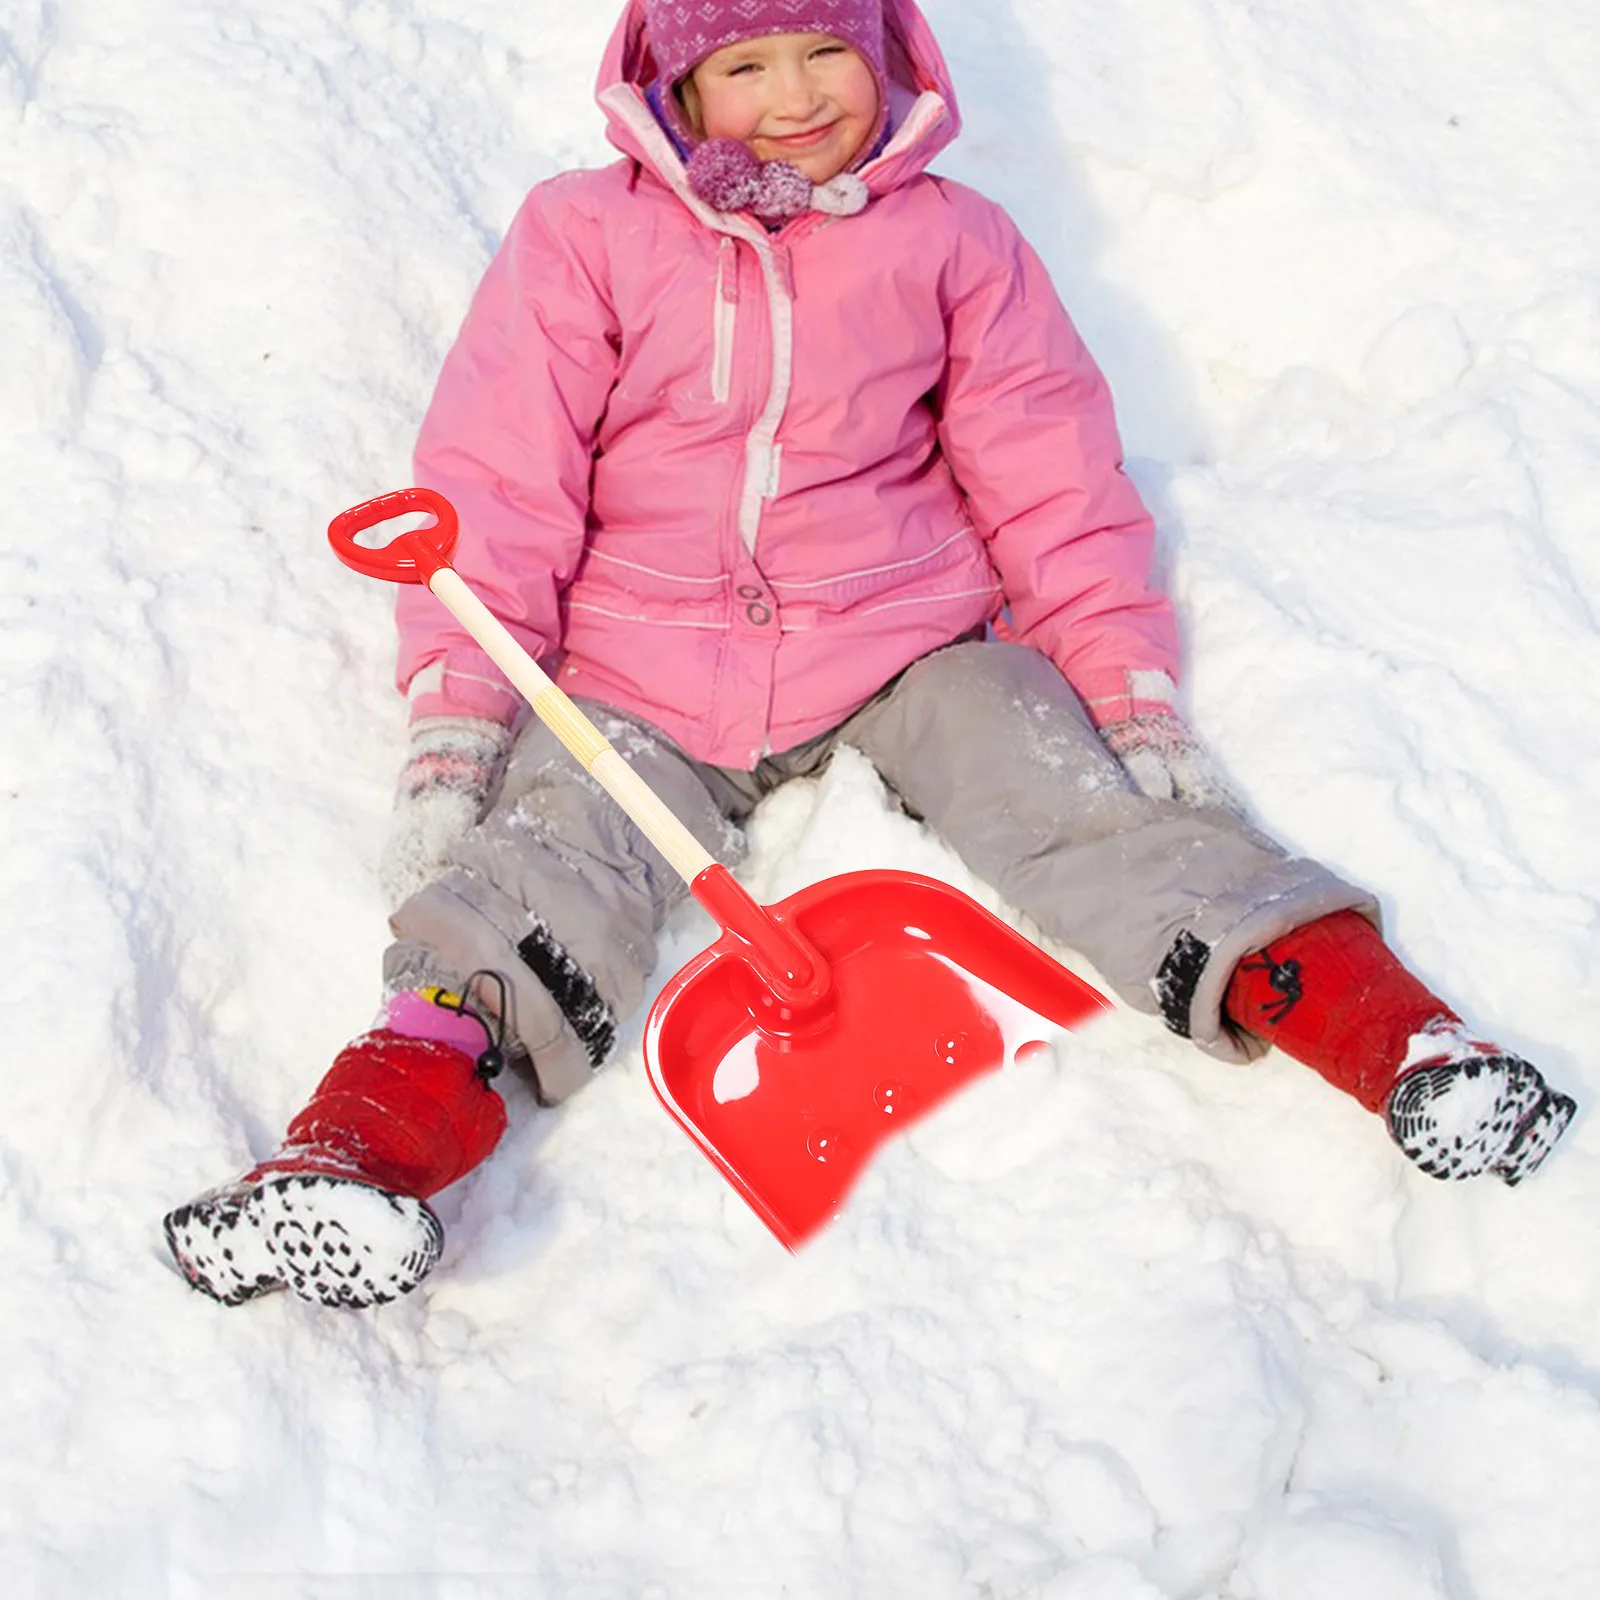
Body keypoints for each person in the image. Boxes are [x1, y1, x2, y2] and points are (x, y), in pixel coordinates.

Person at [163, 0, 1576, 1310]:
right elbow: (506, 478)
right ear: (677, 83)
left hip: (906, 639)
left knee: (1081, 809)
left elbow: (1051, 484)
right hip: (640, 666)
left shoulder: (955, 242)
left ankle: (1406, 1048)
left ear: (891, 49)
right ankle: (355, 1157)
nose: (794, 97)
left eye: (826, 52)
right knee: (539, 869)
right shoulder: (585, 235)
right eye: (746, 65)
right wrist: (462, 722)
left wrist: (1125, 688)